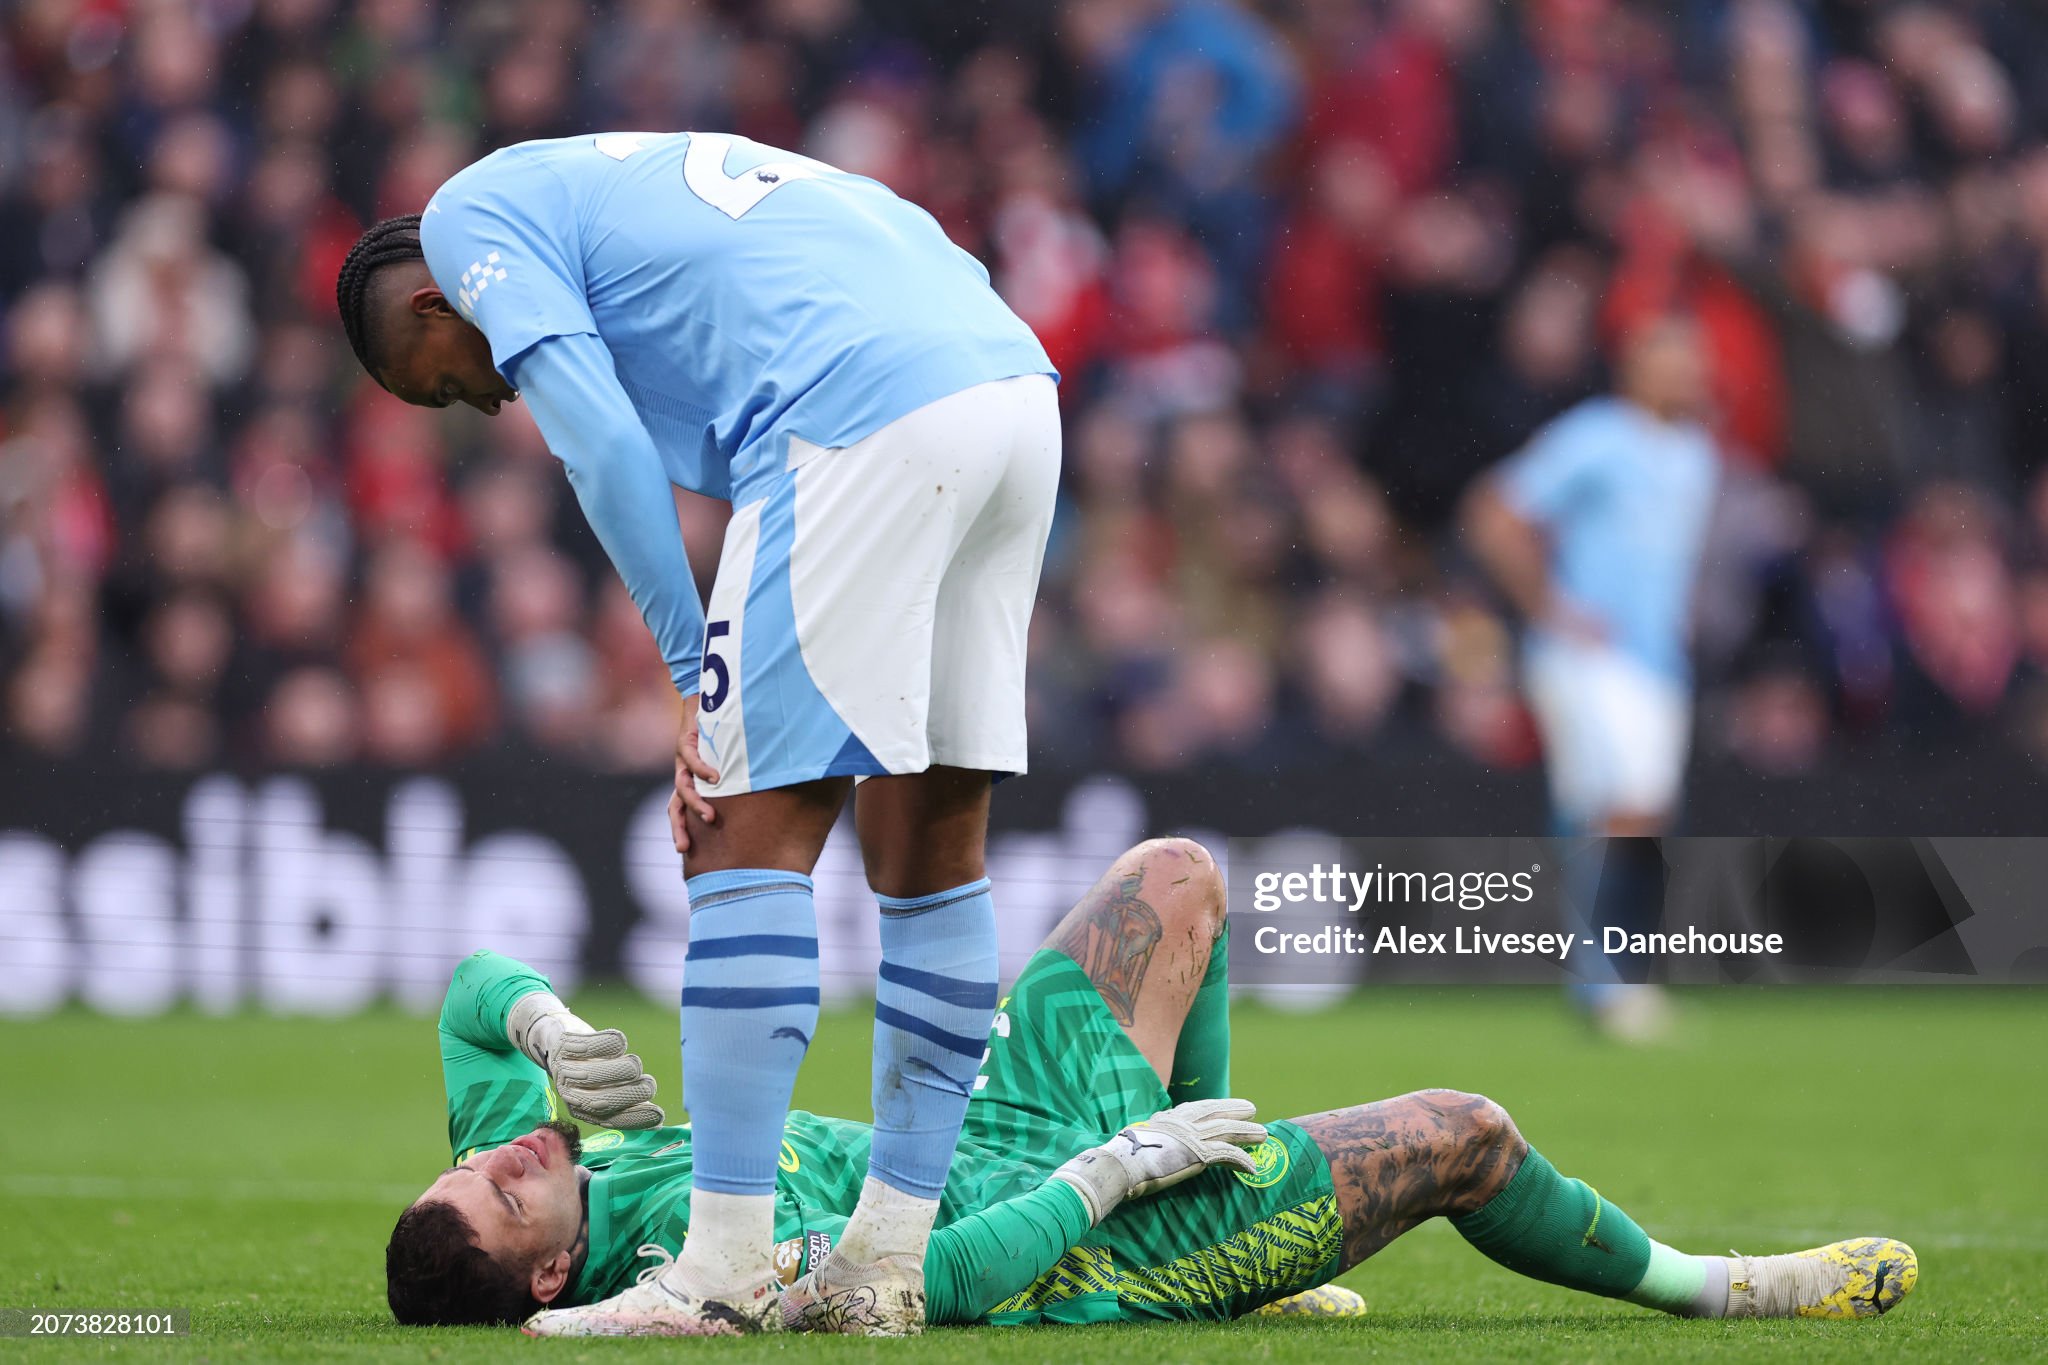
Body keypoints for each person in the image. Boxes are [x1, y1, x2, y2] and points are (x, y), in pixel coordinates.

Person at [335, 130, 1062, 1334]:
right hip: (1006, 391)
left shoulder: (470, 223)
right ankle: (883, 1263)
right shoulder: (610, 192)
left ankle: (719, 1270)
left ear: (434, 299)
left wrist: (691, 670)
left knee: (730, 833)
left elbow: (602, 448)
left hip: (856, 405)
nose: (486, 396)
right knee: (931, 843)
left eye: (447, 379)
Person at [387, 838, 1917, 1334]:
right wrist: (1125, 1173)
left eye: (483, 1157)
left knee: (1177, 878)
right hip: (1078, 1239)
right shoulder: (673, 1278)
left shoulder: (539, 1165)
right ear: (548, 1273)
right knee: (1468, 1134)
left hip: (996, 1125)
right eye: (509, 1181)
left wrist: (530, 1018)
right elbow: (950, 1284)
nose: (516, 1150)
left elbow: (459, 998)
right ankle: (1724, 1288)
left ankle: (1232, 1187)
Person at [1462, 318, 1721, 1041]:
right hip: (1591, 656)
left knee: (1619, 814)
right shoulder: (1598, 436)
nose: (1688, 375)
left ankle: (1600, 979)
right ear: (1633, 371)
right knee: (1623, 809)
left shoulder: (1699, 455)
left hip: (1656, 662)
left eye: (1693, 362)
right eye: (1671, 360)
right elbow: (1495, 510)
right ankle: (1608, 983)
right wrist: (1549, 605)